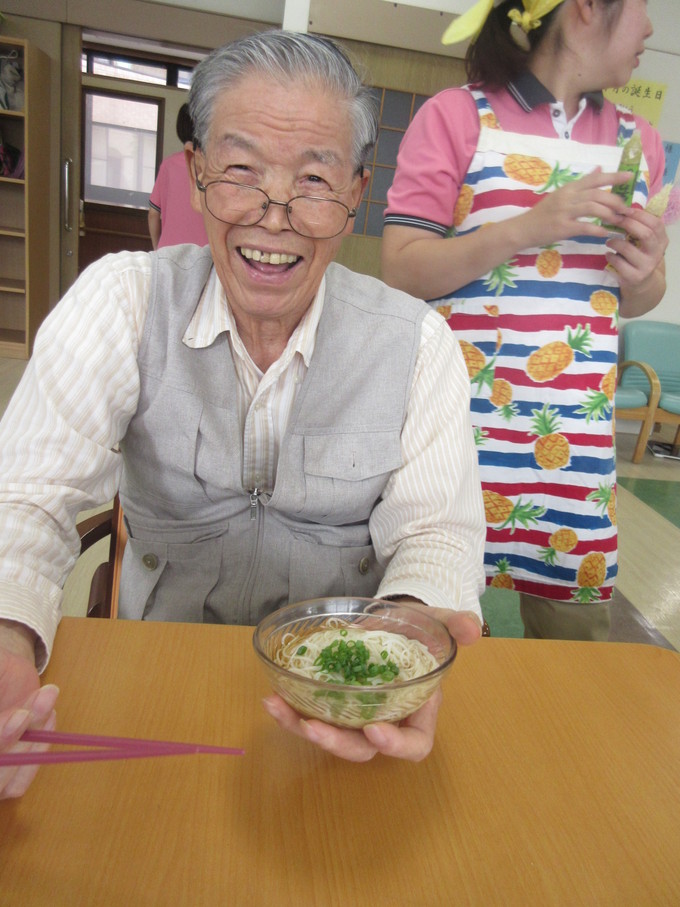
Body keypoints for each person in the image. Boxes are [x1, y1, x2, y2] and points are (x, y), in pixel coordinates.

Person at [0, 30, 486, 796]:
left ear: (357, 193)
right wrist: (6, 641)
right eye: (241, 171)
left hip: (338, 701)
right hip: (159, 676)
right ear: (196, 175)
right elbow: (25, 496)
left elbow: (435, 533)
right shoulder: (123, 298)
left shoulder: (418, 342)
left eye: (314, 180)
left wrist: (399, 653)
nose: (274, 215)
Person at [381, 0, 668, 641]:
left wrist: (645, 269)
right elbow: (400, 269)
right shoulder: (457, 116)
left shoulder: (637, 141)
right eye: (644, 8)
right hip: (455, 430)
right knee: (434, 625)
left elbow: (640, 298)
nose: (651, 28)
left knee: (576, 642)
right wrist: (530, 227)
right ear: (586, 10)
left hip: (575, 441)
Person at [148, 103, 209, 248]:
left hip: (169, 254)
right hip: (205, 256)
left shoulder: (168, 165)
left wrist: (157, 250)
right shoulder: (213, 168)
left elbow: (153, 214)